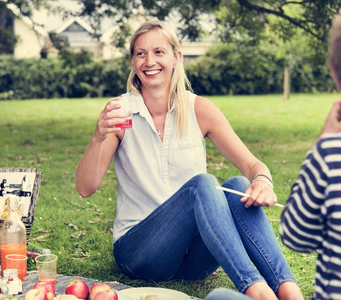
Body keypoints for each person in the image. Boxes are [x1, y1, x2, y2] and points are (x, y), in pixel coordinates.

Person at [76, 19, 303, 300]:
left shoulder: (199, 109)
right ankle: (258, 292)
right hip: (140, 252)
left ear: (176, 57)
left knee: (238, 183)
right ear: (133, 63)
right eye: (140, 53)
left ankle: (288, 290)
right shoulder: (120, 112)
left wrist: (263, 181)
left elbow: (253, 165)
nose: (150, 61)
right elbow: (86, 188)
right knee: (203, 184)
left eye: (159, 52)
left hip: (193, 259)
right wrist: (98, 137)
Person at [280, 15, 341, 300]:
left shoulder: (330, 155)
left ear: (333, 71)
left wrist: (323, 141)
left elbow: (295, 236)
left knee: (220, 297)